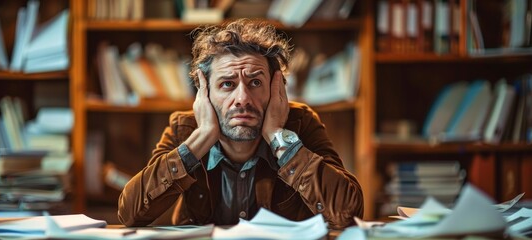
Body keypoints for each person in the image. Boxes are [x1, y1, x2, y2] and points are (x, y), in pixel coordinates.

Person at [117, 18, 363, 230]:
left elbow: (348, 214)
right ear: (205, 94)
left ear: (276, 90)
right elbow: (130, 213)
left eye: (255, 83)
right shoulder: (186, 128)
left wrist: (278, 137)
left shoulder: (299, 123)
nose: (242, 99)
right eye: (227, 84)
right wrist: (201, 137)